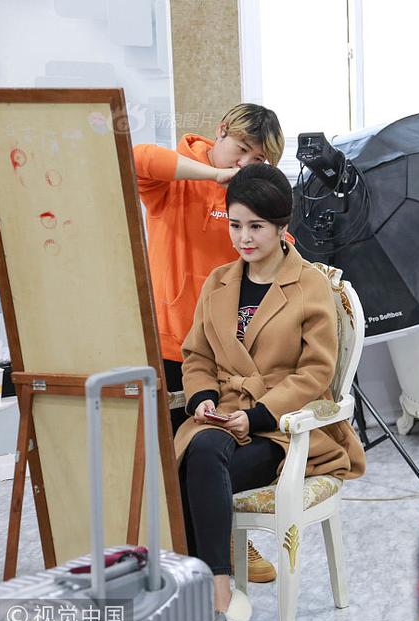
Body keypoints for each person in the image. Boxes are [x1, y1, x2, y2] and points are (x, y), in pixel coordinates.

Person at [173, 163, 366, 621]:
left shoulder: (310, 285)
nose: (244, 237)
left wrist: (258, 415)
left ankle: (211, 591)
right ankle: (217, 585)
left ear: (282, 226)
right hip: (221, 417)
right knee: (197, 451)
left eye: (256, 226)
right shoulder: (218, 281)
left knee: (195, 462)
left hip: (283, 432)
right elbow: (196, 355)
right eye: (235, 224)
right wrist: (202, 397)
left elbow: (315, 372)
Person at [133, 104, 284, 582]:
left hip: (229, 356)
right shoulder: (177, 177)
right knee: (176, 457)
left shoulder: (250, 199)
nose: (245, 165)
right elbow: (136, 158)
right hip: (170, 347)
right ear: (221, 132)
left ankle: (227, 542)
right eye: (241, 150)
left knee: (220, 451)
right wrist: (217, 176)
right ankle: (196, 560)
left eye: (257, 160)